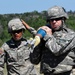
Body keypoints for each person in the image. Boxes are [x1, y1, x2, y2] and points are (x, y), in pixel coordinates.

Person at [26, 6, 75, 75]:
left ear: (63, 19)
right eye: (51, 20)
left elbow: (56, 50)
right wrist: (38, 41)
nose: (54, 22)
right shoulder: (46, 35)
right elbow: (34, 60)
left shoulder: (70, 35)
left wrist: (47, 36)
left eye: (57, 19)